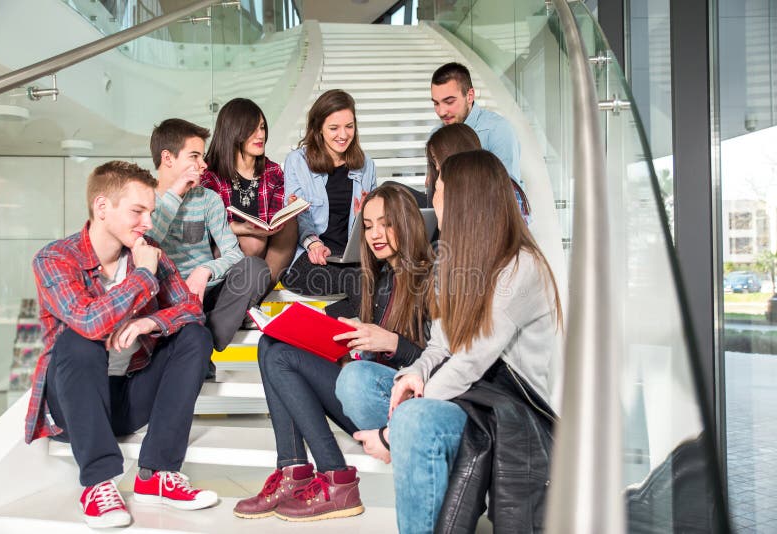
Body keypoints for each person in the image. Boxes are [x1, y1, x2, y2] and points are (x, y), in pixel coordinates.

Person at [336, 150, 562, 533]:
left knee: (412, 419)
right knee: (355, 380)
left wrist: (390, 435)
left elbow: (472, 361)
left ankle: (412, 443)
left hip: (506, 413)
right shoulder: (449, 263)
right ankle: (421, 453)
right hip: (465, 395)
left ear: (462, 200)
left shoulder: (522, 267)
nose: (432, 199)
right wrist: (414, 374)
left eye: (437, 191)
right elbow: (440, 348)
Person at [29, 161, 219, 529]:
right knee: (79, 340)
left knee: (195, 335)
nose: (148, 222)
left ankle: (158, 474)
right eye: (138, 211)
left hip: (129, 400)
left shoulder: (148, 252)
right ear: (102, 208)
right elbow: (88, 321)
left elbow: (191, 310)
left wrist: (151, 320)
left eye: (150, 211)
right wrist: (143, 276)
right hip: (74, 406)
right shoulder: (56, 259)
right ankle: (98, 483)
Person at [233, 184, 433, 522]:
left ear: (408, 222)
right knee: (273, 344)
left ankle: (334, 476)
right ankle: (294, 470)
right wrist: (285, 325)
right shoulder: (371, 279)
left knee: (304, 361)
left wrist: (391, 342)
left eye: (386, 223)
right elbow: (328, 321)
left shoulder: (432, 279)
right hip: (360, 393)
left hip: (399, 406)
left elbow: (440, 362)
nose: (375, 234)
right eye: (367, 226)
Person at [147, 118, 271, 379]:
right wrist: (176, 194)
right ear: (167, 158)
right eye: (195, 156)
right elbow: (148, 243)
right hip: (169, 298)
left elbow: (233, 253)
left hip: (210, 295)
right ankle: (195, 343)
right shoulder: (144, 199)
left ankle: (203, 339)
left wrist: (205, 270)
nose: (203, 165)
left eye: (202, 157)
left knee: (256, 268)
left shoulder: (208, 199)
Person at [281, 89, 377, 317]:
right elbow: (298, 215)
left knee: (390, 278)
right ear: (318, 129)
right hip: (308, 258)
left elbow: (374, 222)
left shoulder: (366, 165)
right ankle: (371, 347)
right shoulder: (298, 162)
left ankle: (325, 320)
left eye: (349, 126)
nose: (343, 135)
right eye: (334, 128)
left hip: (351, 256)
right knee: (361, 282)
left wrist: (367, 214)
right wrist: (313, 244)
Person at [201, 98, 298, 288]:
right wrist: (241, 228)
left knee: (290, 223)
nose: (260, 135)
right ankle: (237, 295)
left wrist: (287, 211)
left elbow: (273, 218)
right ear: (234, 131)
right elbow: (205, 225)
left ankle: (259, 292)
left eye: (262, 127)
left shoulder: (273, 171)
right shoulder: (211, 174)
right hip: (226, 252)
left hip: (266, 253)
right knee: (252, 241)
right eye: (252, 129)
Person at [430, 62, 530, 219]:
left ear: (469, 96)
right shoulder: (437, 133)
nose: (442, 111)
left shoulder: (497, 129)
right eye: (436, 103)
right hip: (450, 217)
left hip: (490, 221)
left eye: (449, 102)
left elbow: (509, 197)